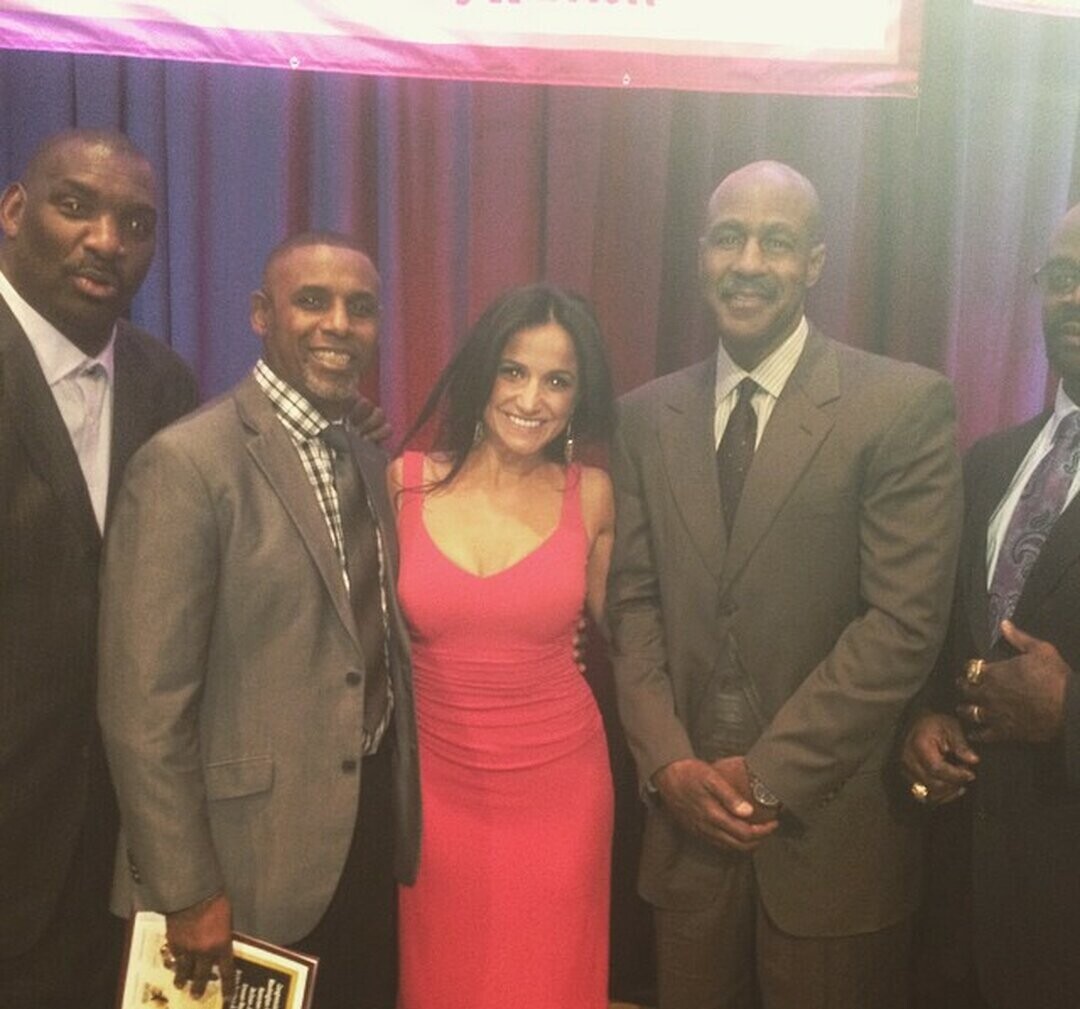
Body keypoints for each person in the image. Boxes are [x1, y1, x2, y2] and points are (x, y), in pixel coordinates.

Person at [606, 160, 963, 1009]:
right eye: (728, 238)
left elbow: (902, 624)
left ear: (814, 263)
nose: (748, 262)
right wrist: (668, 765)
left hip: (832, 848)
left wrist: (765, 776)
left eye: (776, 242)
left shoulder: (900, 405)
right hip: (687, 840)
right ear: (701, 254)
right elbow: (633, 604)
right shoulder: (646, 416)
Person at [97, 232, 420, 1009]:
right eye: (312, 300)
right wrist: (185, 887)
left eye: (361, 307)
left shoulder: (370, 462)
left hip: (365, 841)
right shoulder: (187, 463)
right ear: (260, 314)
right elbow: (142, 707)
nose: (338, 323)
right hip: (242, 862)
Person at [0, 129, 198, 1009]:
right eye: (76, 205)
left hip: (119, 859)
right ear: (14, 210)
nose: (107, 240)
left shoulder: (166, 384)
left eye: (136, 223)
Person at [389, 283, 616, 1009]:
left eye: (558, 380)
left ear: (580, 396)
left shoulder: (593, 494)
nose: (531, 398)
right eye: (513, 370)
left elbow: (638, 639)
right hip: (434, 794)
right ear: (483, 370)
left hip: (562, 792)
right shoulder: (405, 482)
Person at [901, 202, 1080, 1009]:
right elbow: (947, 634)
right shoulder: (990, 460)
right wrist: (925, 716)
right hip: (956, 907)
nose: (1075, 297)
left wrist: (1070, 711)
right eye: (1062, 276)